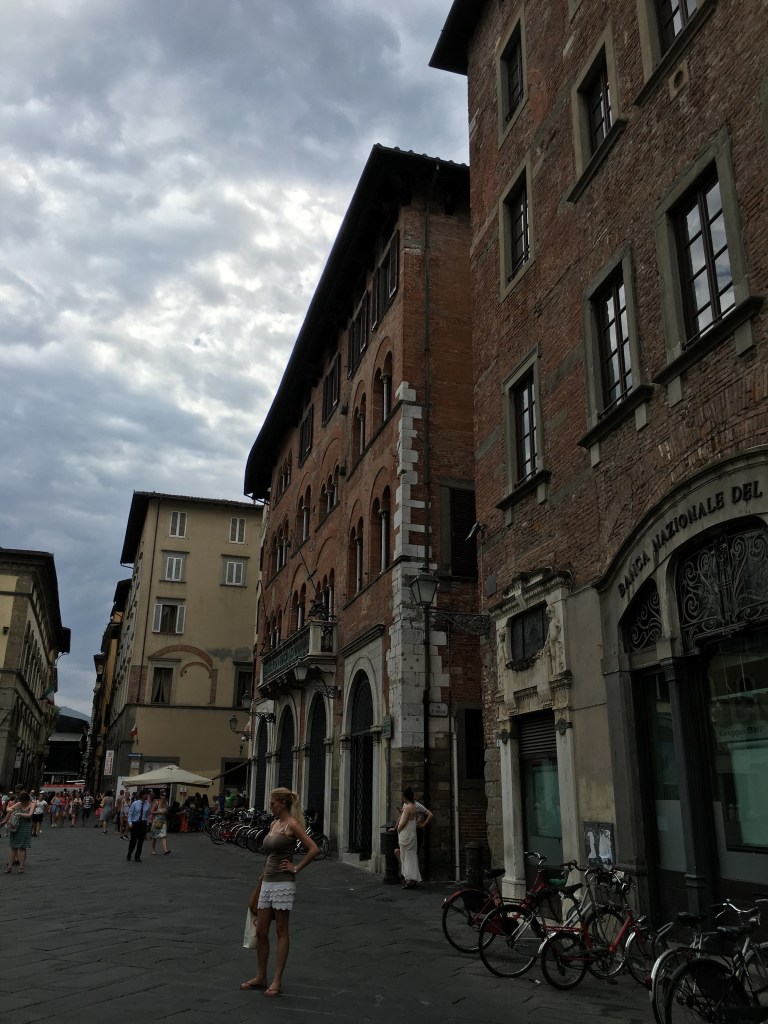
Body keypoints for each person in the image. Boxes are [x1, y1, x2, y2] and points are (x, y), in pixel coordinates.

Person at [239, 787, 318, 998]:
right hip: (267, 881)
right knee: (261, 931)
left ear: (283, 804)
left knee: (281, 930)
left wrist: (296, 867)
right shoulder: (274, 824)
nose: (270, 806)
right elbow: (269, 854)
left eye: (273, 803)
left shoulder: (292, 824)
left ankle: (276, 980)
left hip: (283, 883)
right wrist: (262, 876)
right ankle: (260, 976)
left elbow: (314, 849)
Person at [1, 791, 35, 873]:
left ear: (27, 800)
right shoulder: (19, 804)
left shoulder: (32, 804)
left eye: (23, 802)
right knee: (13, 846)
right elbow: (9, 809)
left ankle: (21, 867)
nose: (22, 803)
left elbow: (30, 815)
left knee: (22, 847)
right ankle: (9, 867)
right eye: (21, 802)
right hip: (16, 826)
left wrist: (19, 814)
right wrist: (9, 809)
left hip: (26, 827)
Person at [394, 788, 421, 889]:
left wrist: (398, 829)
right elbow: (415, 820)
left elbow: (403, 822)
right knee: (412, 856)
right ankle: (413, 879)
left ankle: (409, 880)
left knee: (405, 857)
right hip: (412, 834)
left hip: (406, 834)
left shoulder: (408, 808)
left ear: (405, 798)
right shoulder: (414, 807)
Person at [126, 789, 152, 862]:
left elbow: (148, 815)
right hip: (135, 824)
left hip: (143, 824)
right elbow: (130, 814)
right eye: (145, 794)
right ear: (142, 795)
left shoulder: (148, 804)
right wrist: (130, 823)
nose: (147, 796)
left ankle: (137, 857)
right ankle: (129, 853)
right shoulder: (135, 803)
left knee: (140, 842)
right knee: (133, 841)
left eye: (147, 794)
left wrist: (147, 824)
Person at [149, 791, 171, 856]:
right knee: (154, 836)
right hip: (157, 821)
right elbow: (152, 811)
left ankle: (165, 850)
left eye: (165, 795)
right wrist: (159, 812)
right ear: (160, 796)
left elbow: (167, 813)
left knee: (164, 835)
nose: (164, 797)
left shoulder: (166, 804)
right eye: (163, 795)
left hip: (163, 821)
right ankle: (153, 850)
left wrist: (166, 813)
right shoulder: (157, 803)